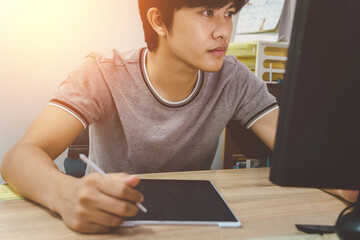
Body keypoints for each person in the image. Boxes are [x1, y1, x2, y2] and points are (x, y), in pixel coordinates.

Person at [0, 0, 356, 234]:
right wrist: (66, 195)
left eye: (230, 13)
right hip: (114, 226)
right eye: (207, 12)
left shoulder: (233, 78)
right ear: (158, 20)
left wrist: (346, 183)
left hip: (196, 227)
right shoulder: (103, 72)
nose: (223, 31)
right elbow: (20, 156)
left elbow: (303, 155)